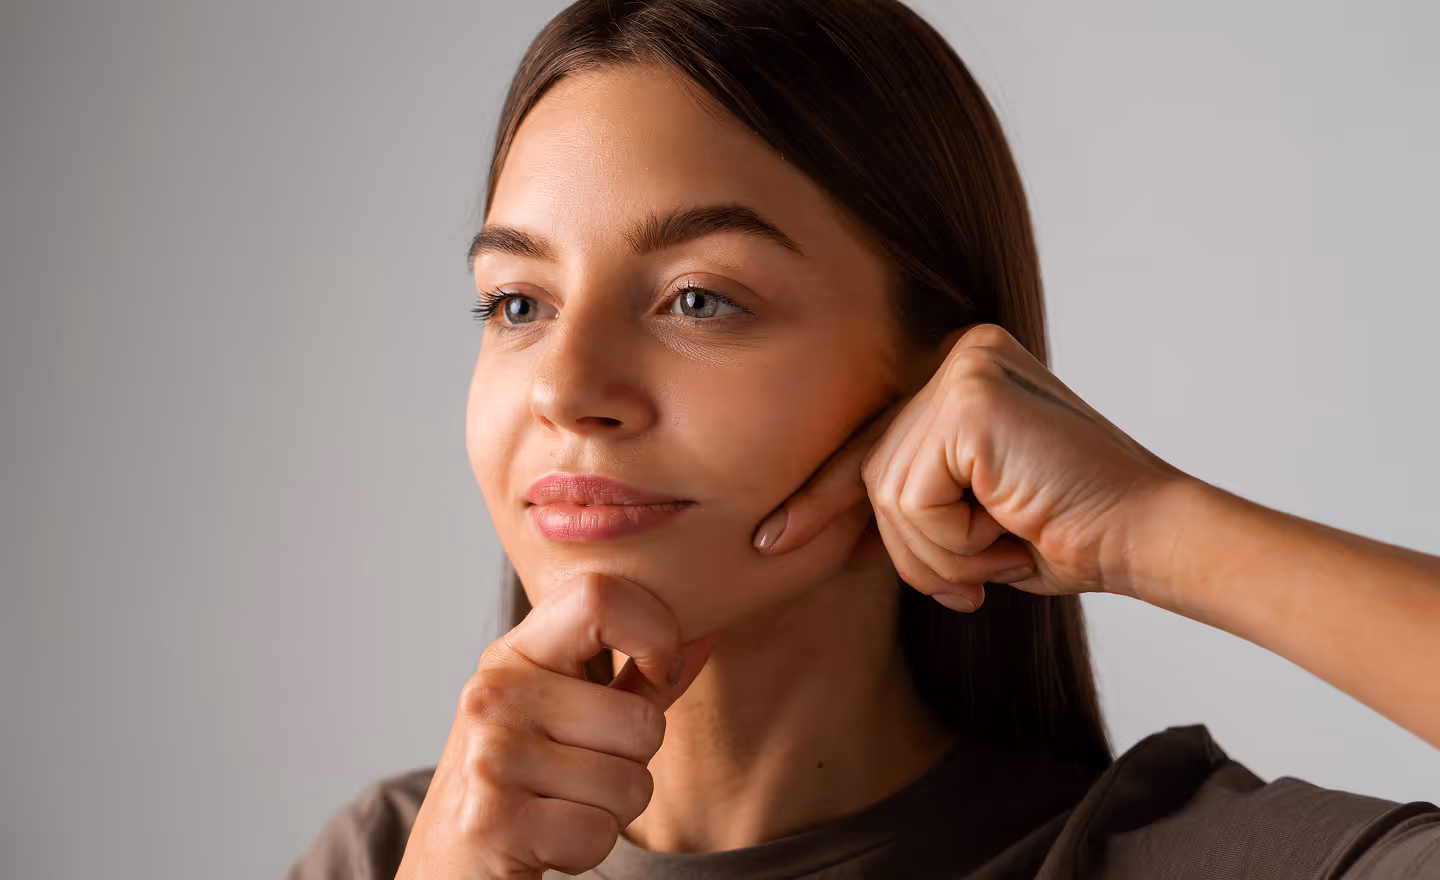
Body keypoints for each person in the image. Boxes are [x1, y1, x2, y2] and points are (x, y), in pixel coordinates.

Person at [288, 1, 1440, 877]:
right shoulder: (396, 848)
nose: (568, 389)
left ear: (939, 372)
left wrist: (1156, 525)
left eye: (699, 298)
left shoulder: (1186, 862)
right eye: (517, 304)